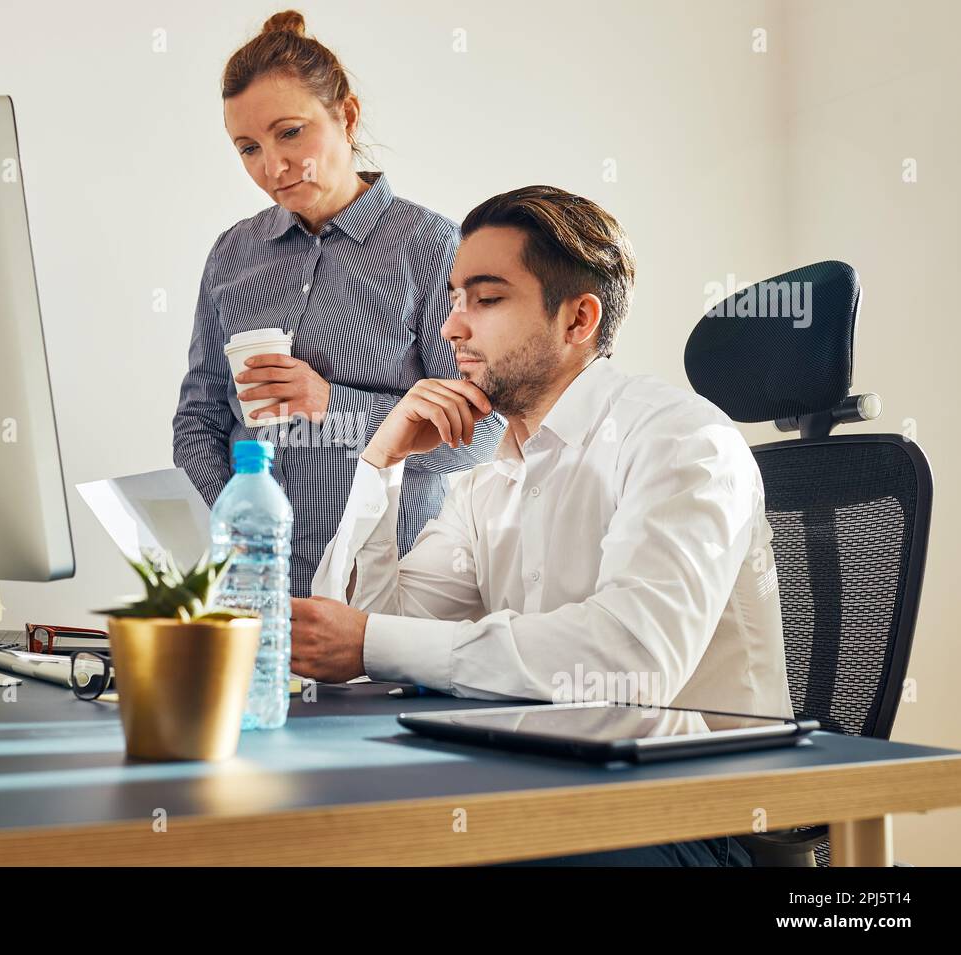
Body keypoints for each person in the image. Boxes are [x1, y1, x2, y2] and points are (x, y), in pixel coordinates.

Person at [292, 184, 794, 866]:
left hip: (688, 816)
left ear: (578, 319)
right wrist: (381, 464)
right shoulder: (483, 479)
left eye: (487, 298)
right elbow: (357, 647)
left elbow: (629, 664)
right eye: (453, 299)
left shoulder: (681, 439)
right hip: (546, 788)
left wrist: (373, 642)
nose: (452, 328)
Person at [173, 10, 504, 597]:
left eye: (290, 132)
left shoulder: (434, 249)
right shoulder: (231, 255)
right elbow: (197, 422)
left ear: (346, 116)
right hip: (253, 595)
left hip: (380, 593)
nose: (272, 167)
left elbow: (479, 430)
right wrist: (240, 520)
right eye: (247, 147)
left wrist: (330, 403)